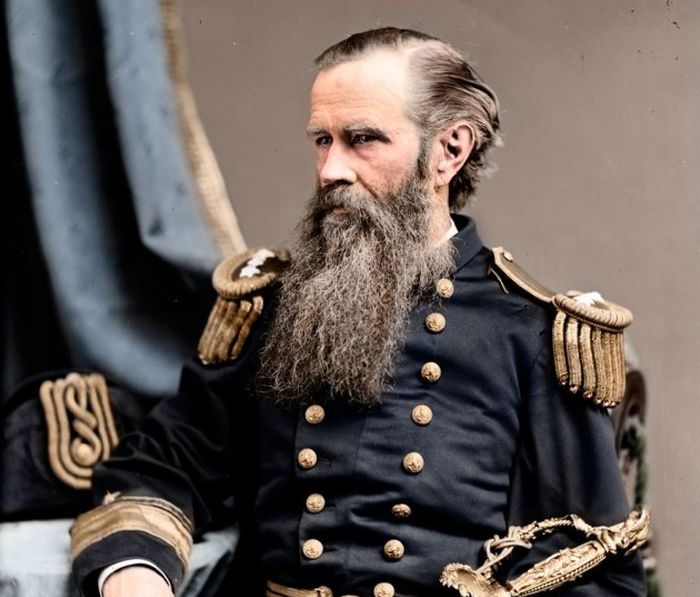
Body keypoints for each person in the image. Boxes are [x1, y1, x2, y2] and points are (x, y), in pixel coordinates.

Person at [70, 28, 647, 597]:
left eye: (362, 139)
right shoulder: (277, 306)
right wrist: (136, 578)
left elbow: (593, 569)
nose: (331, 170)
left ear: (449, 150)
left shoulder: (529, 333)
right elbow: (166, 464)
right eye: (322, 140)